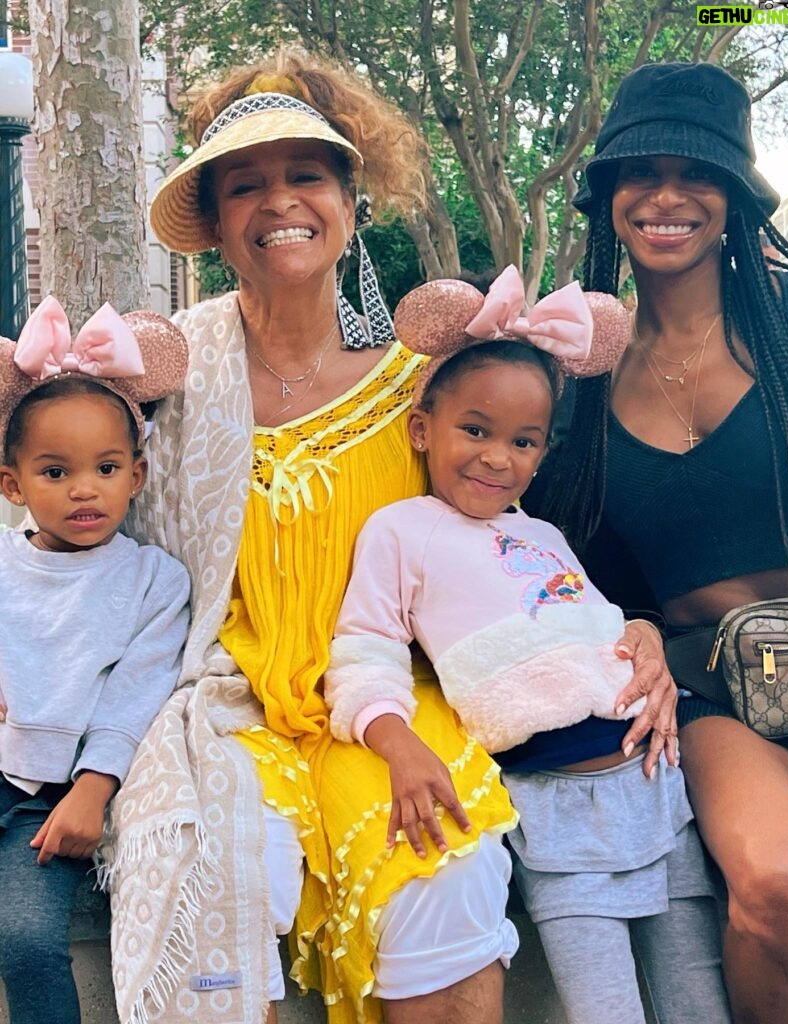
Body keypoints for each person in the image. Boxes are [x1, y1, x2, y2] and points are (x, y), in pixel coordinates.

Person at [102, 49, 676, 1024]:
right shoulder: (175, 379)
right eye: (246, 184)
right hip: (230, 700)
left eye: (305, 175)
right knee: (218, 885)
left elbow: (531, 528)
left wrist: (642, 629)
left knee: (441, 875)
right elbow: (77, 524)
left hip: (398, 701)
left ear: (348, 199)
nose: (278, 201)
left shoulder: (420, 385)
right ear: (215, 224)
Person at [324, 268, 731, 1024]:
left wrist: (642, 640)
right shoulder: (401, 531)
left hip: (655, 786)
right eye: (473, 430)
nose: (496, 457)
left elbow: (595, 621)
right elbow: (364, 652)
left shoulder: (542, 535)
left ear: (542, 453)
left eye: (522, 441)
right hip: (555, 808)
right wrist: (398, 744)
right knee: (604, 1011)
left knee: (697, 1003)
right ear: (423, 429)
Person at [529, 62, 788, 1024]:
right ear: (605, 198)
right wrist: (635, 628)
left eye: (694, 173)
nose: (664, 197)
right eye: (637, 174)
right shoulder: (573, 372)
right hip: (713, 693)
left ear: (734, 197)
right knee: (778, 881)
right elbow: (569, 558)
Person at [0, 297, 191, 1024]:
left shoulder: (152, 580)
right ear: (12, 485)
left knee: (24, 940)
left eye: (106, 467)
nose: (85, 488)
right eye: (55, 472)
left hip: (44, 803)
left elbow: (136, 693)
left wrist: (93, 788)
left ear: (136, 476)